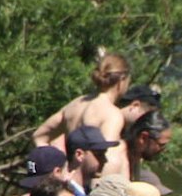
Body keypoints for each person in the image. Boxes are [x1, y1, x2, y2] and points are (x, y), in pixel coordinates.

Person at [32, 52, 148, 185]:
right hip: (88, 186)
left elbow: (39, 137)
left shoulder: (75, 104)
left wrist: (57, 169)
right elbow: (107, 160)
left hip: (68, 180)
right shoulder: (112, 114)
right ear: (122, 81)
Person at [124, 108, 174, 192]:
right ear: (143, 137)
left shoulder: (134, 158)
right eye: (161, 145)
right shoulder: (117, 159)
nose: (164, 150)